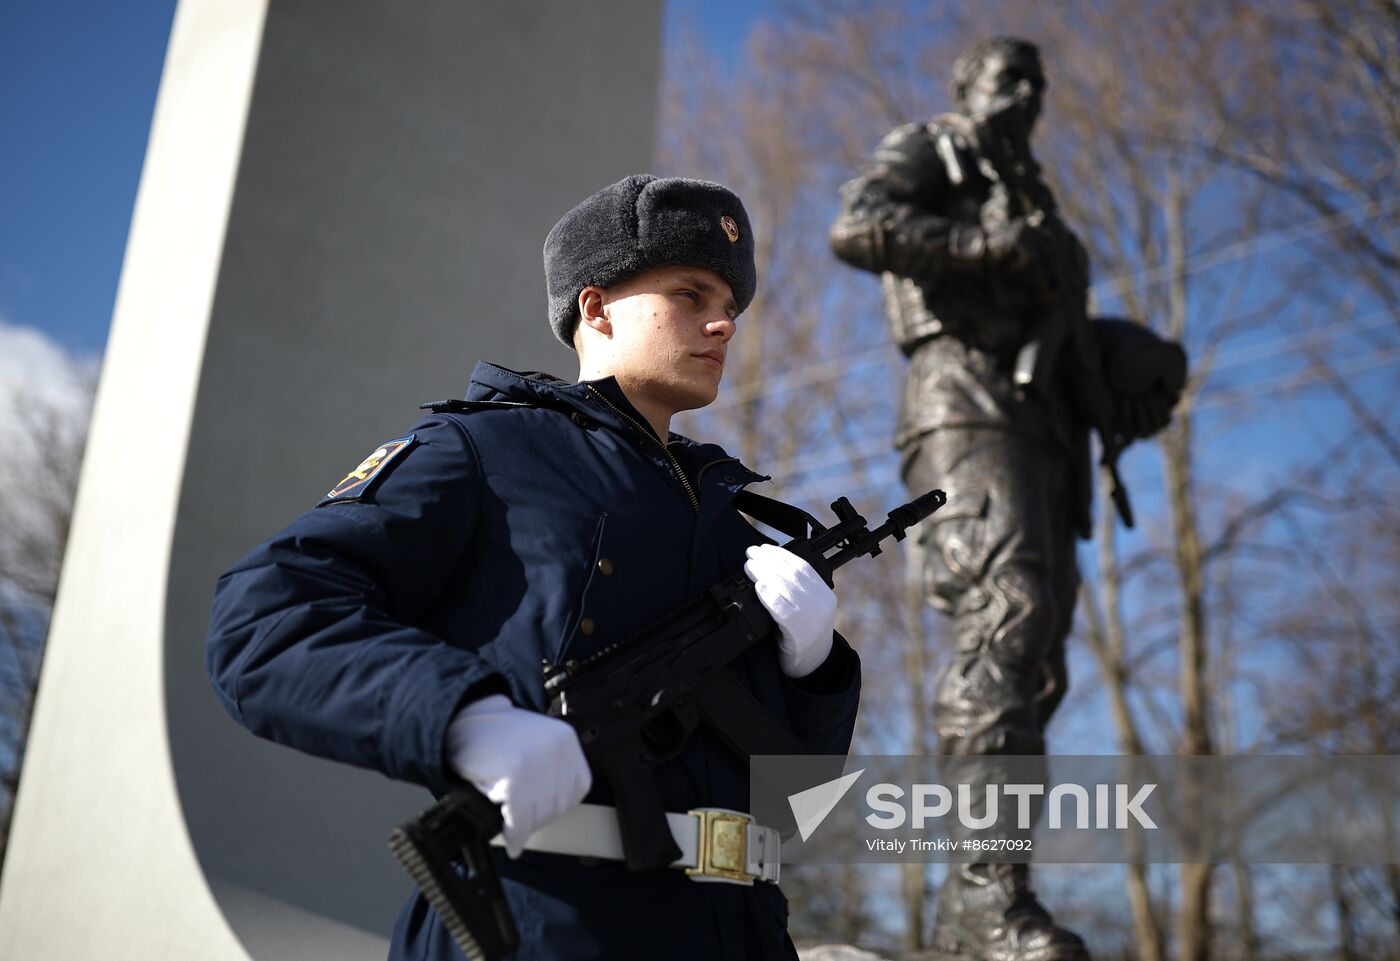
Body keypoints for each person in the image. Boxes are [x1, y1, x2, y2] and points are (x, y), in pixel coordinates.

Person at [207, 174, 861, 961]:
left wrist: (816, 670)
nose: (723, 322)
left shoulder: (732, 522)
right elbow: (263, 618)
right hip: (546, 922)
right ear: (596, 307)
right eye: (690, 293)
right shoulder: (484, 452)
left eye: (731, 302)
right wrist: (463, 715)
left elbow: (795, 804)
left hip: (744, 934)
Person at [829, 37, 1184, 961]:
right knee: (1005, 619)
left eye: (1036, 82)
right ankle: (990, 897)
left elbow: (1063, 326)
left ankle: (973, 904)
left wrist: (1127, 365)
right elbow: (857, 225)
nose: (1024, 93)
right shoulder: (935, 148)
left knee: (1039, 670)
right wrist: (985, 247)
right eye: (1006, 77)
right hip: (962, 405)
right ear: (967, 86)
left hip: (1050, 438)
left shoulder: (1041, 199)